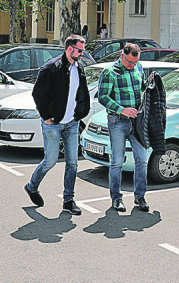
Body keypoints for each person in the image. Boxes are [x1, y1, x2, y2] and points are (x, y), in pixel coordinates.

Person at [25, 35, 90, 215]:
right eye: (80, 50)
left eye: (83, 50)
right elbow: (38, 94)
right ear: (70, 49)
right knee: (50, 160)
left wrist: (80, 113)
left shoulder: (79, 68)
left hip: (72, 123)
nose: (82, 53)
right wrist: (46, 116)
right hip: (53, 123)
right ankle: (32, 186)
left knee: (73, 163)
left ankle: (68, 201)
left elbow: (82, 92)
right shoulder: (51, 68)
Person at [98, 43, 147, 212]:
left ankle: (140, 196)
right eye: (129, 62)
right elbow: (102, 97)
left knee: (142, 159)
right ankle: (116, 198)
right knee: (117, 161)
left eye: (135, 62)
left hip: (137, 123)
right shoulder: (110, 72)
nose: (132, 65)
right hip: (117, 121)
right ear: (122, 55)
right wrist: (122, 109)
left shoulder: (139, 67)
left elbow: (143, 89)